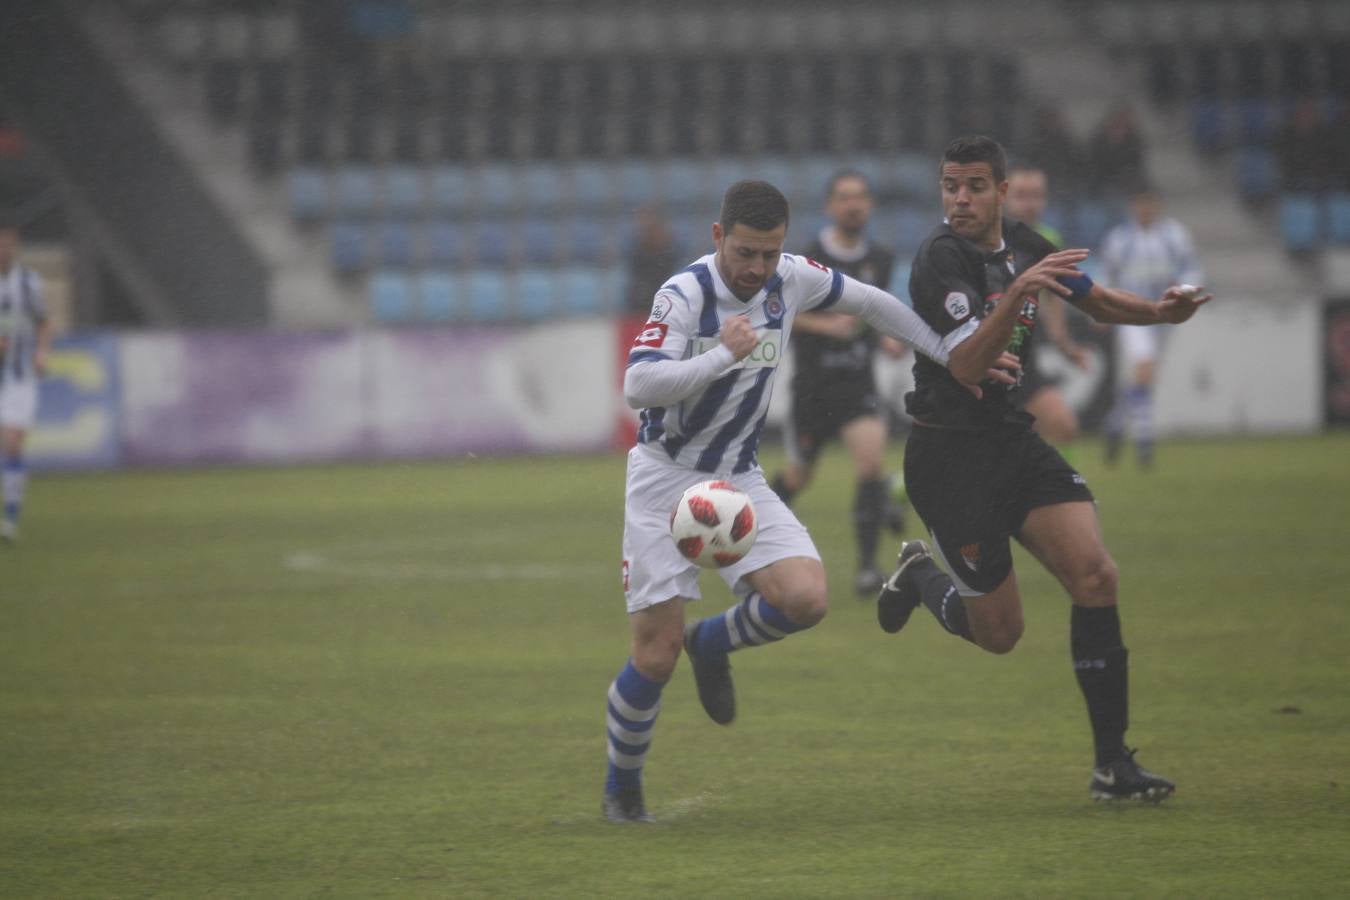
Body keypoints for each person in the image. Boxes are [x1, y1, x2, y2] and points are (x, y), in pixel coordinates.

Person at [603, 179, 1030, 822]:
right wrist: (723, 355)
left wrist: (949, 355)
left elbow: (874, 303)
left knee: (807, 600)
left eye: (769, 254)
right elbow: (638, 384)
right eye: (745, 252)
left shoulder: (792, 279)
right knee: (655, 654)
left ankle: (713, 643)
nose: (757, 268)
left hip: (738, 477)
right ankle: (622, 791)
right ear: (719, 238)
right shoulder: (684, 294)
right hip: (665, 479)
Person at [876, 136, 1210, 802]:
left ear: (1002, 189)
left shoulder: (1025, 244)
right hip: (949, 458)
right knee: (1001, 634)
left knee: (1096, 574)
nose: (960, 199)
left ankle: (1113, 767)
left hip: (1009, 442)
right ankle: (921, 578)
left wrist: (1159, 312)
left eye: (973, 185)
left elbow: (1092, 298)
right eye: (949, 185)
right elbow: (967, 364)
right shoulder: (939, 259)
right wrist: (1019, 292)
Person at [767, 169, 908, 596]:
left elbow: (872, 313)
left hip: (856, 383)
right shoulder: (806, 259)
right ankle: (747, 535)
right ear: (830, 206)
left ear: (869, 205)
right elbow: (779, 315)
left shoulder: (880, 259)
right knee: (798, 476)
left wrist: (886, 337)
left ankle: (868, 568)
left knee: (869, 463)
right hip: (813, 387)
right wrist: (829, 326)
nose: (853, 204)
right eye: (845, 197)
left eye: (860, 197)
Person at [1098, 183, 1205, 468]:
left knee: (1144, 377)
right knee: (1144, 369)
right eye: (1140, 203)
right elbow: (1106, 277)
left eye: (1149, 203)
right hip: (1131, 313)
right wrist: (1099, 311)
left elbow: (1191, 267)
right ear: (1133, 206)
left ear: (1156, 205)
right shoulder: (1120, 239)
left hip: (1165, 315)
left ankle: (1115, 424)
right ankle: (1145, 443)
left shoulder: (1174, 236)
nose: (1145, 209)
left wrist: (1186, 290)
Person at [1002, 166, 1089, 455]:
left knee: (1063, 426)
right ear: (1003, 197)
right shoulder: (989, 238)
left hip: (1024, 354)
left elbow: (1054, 296)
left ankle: (1060, 496)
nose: (1030, 203)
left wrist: (1063, 342)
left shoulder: (1048, 239)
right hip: (985, 357)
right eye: (1022, 195)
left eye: (1037, 195)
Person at [0, 223, 51, 543]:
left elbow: (44, 322)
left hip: (19, 377)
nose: (4, 250)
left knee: (13, 443)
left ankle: (11, 517)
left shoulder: (28, 282)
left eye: (8, 245)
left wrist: (42, 352)